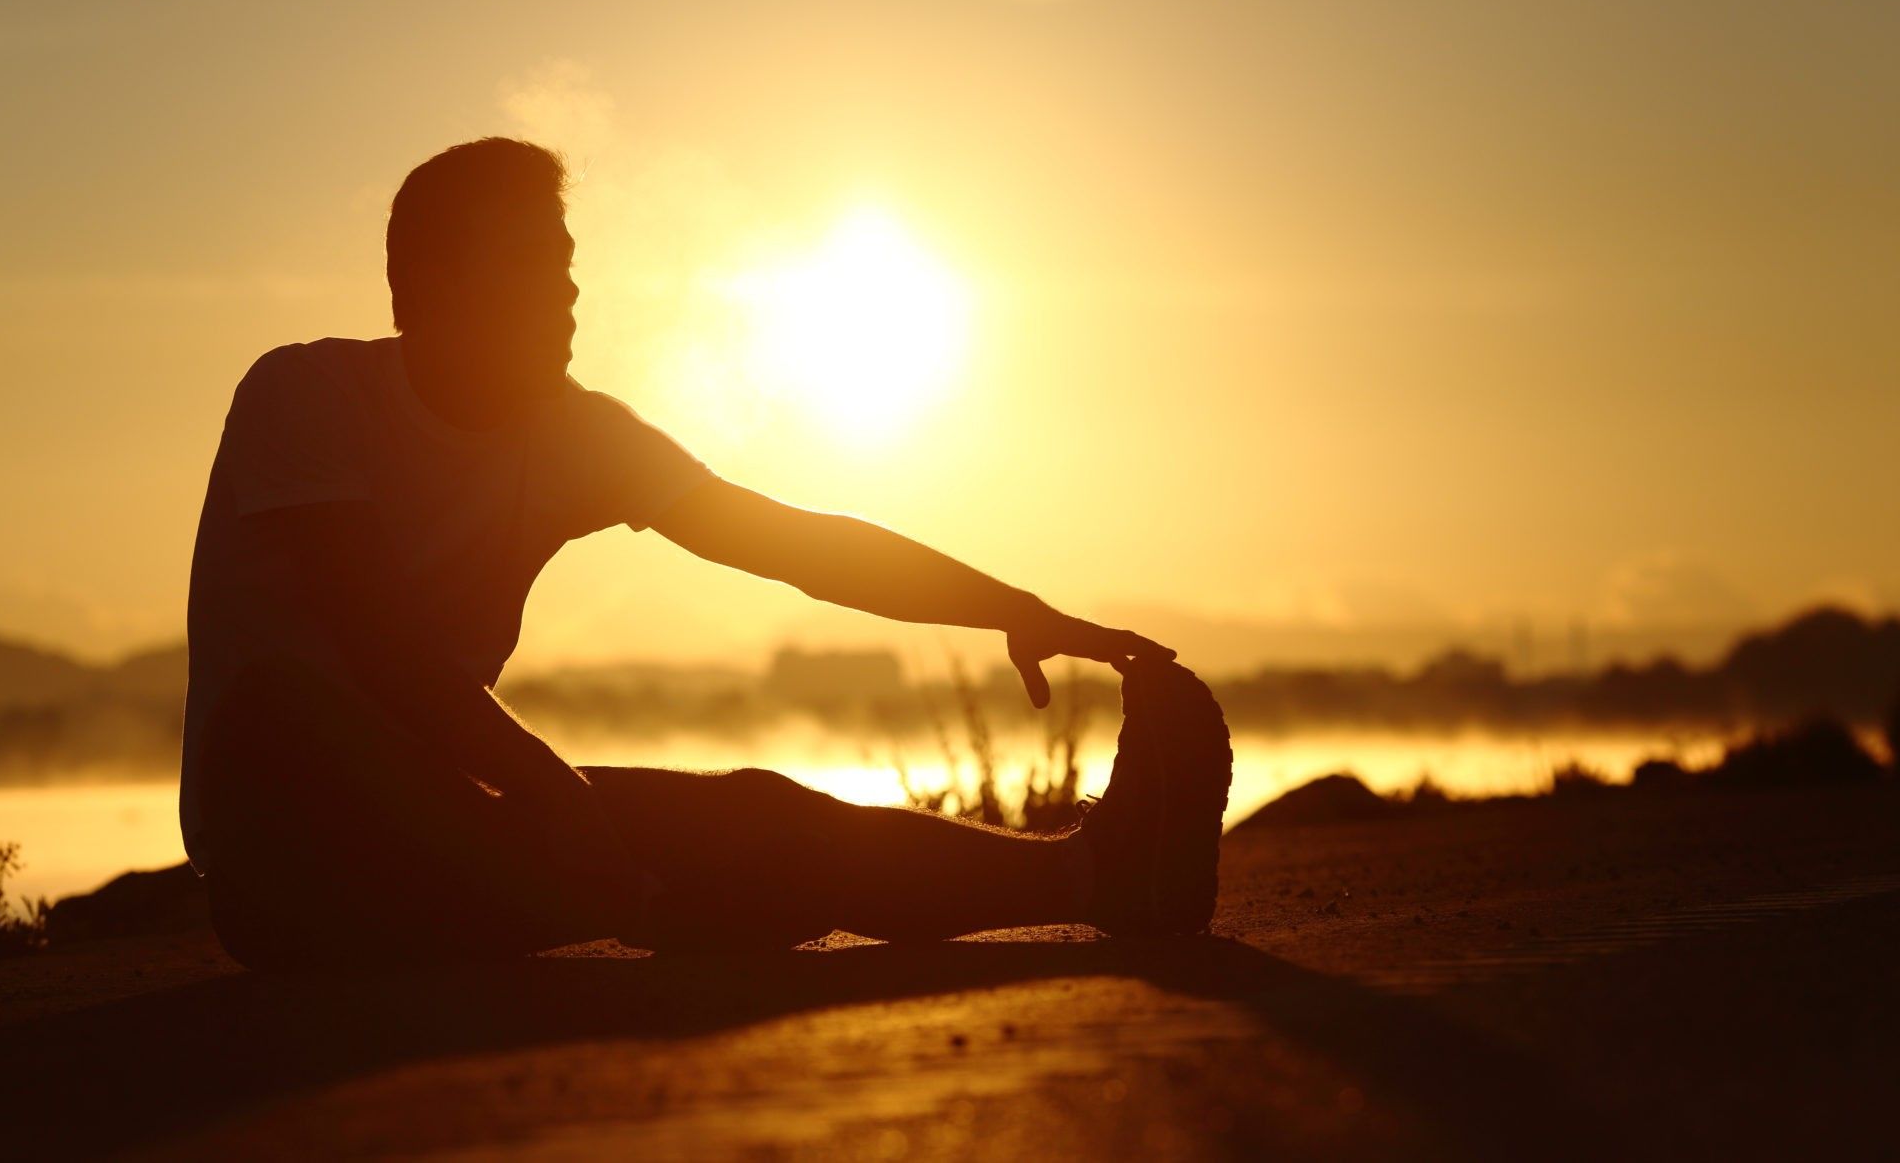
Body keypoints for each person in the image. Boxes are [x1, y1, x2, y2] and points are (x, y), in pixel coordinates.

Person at [180, 137, 1229, 968]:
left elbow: (793, 543)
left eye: (566, 266)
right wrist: (563, 802)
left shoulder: (572, 435)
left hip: (461, 830)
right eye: (531, 266)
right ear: (427, 287)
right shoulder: (304, 395)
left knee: (762, 818)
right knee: (290, 710)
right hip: (290, 860)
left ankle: (1099, 882)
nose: (567, 296)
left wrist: (1011, 606)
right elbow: (377, 643)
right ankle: (650, 886)